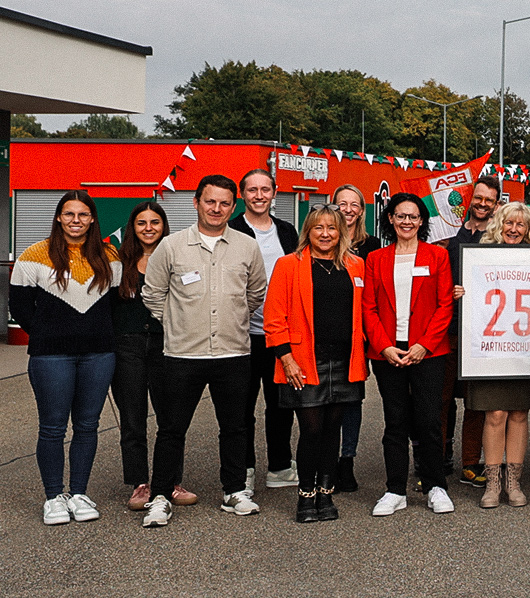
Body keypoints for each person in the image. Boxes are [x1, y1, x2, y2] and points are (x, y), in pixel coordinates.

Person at [141, 175, 270, 526]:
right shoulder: (171, 246)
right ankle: (160, 495)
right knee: (171, 429)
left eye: (225, 203)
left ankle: (234, 491)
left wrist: (232, 317)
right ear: (196, 202)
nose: (217, 209)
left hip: (233, 353)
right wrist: (179, 322)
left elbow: (255, 293)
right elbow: (153, 294)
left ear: (233, 206)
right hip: (183, 354)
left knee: (235, 427)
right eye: (210, 201)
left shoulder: (247, 246)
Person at [12, 192, 120, 526]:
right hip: (51, 356)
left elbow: (116, 304)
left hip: (98, 354)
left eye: (83, 214)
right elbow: (19, 306)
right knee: (53, 427)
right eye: (69, 214)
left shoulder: (109, 256)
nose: (76, 220)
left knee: (88, 426)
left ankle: (79, 493)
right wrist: (47, 334)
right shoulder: (34, 254)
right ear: (59, 217)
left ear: (92, 218)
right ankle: (53, 497)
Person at [263, 206, 369, 523]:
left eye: (332, 228)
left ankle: (326, 493)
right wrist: (287, 359)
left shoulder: (356, 265)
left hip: (345, 361)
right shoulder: (288, 265)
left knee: (333, 430)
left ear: (341, 232)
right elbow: (274, 317)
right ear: (307, 231)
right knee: (311, 430)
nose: (325, 234)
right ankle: (306, 495)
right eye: (318, 228)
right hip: (304, 361)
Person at [450, 203, 530, 509]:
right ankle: (493, 482)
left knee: (519, 413)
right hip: (490, 350)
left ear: (529, 229)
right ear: (499, 224)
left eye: (521, 225)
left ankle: (514, 481)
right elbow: (471, 296)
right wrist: (461, 292)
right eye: (509, 223)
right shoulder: (480, 256)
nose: (514, 229)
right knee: (495, 414)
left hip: (524, 349)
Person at [362, 193, 455, 517]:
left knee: (429, 420)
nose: (406, 222)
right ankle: (395, 489)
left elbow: (445, 304)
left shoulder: (437, 256)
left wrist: (424, 345)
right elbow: (368, 307)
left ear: (421, 221)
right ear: (390, 218)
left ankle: (435, 486)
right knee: (395, 422)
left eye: (413, 216)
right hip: (388, 352)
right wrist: (384, 346)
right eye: (400, 216)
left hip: (428, 352)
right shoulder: (375, 259)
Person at [112, 201, 196, 512]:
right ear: (132, 228)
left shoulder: (176, 258)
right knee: (133, 419)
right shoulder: (118, 263)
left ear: (164, 226)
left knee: (170, 418)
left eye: (155, 222)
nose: (149, 228)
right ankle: (139, 484)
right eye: (142, 223)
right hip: (128, 347)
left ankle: (170, 482)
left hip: (167, 345)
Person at [233, 169, 299, 493]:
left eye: (265, 189)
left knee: (281, 406)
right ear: (242, 194)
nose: (259, 195)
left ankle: (280, 466)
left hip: (279, 335)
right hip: (242, 335)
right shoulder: (232, 230)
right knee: (242, 408)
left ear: (274, 192)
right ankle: (244, 468)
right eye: (252, 190)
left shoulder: (287, 231)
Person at [440, 174, 502, 488]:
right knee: (440, 399)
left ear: (496, 204)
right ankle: (437, 460)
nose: (482, 204)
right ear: (470, 198)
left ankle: (470, 462)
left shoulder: (499, 237)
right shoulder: (448, 232)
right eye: (478, 198)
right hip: (447, 328)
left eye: (488, 200)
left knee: (476, 401)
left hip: (482, 331)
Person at [331, 183, 379, 490]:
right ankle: (325, 459)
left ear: (362, 211)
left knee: (351, 400)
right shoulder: (320, 238)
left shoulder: (371, 246)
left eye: (354, 205)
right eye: (342, 203)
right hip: (323, 333)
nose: (348, 210)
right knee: (323, 401)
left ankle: (346, 460)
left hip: (358, 336)